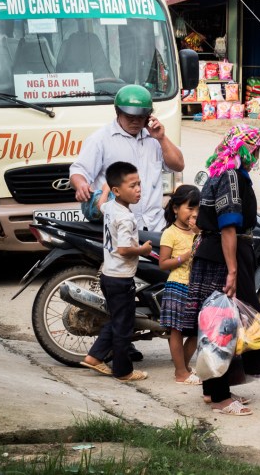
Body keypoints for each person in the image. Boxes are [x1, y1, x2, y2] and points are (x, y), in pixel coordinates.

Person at [191, 125, 260, 416]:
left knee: (216, 322)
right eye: (256, 150)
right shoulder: (231, 176)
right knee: (222, 327)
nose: (256, 155)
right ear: (248, 150)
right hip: (223, 255)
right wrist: (232, 270)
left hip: (211, 253)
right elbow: (228, 226)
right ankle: (221, 398)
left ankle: (211, 390)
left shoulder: (219, 171)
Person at [70, 84, 185, 232]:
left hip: (154, 225)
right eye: (130, 117)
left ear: (148, 116)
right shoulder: (100, 139)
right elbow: (79, 171)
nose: (135, 122)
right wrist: (81, 185)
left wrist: (161, 138)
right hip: (118, 226)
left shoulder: (154, 138)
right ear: (118, 113)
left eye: (141, 117)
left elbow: (179, 165)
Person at [80, 161, 153, 381]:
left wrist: (103, 191)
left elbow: (101, 204)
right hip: (121, 278)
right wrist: (144, 250)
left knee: (117, 320)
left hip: (109, 275)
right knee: (124, 327)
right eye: (132, 186)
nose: (138, 189)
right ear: (117, 191)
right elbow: (124, 249)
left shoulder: (111, 207)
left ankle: (94, 357)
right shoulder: (126, 217)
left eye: (139, 184)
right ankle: (124, 371)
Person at [158, 184, 202, 385]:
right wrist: (182, 258)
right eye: (190, 208)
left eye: (197, 209)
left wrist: (200, 233)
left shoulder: (198, 232)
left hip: (195, 287)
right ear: (176, 209)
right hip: (177, 286)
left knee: (197, 331)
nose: (194, 213)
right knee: (176, 330)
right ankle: (180, 372)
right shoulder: (170, 233)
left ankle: (183, 368)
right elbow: (163, 263)